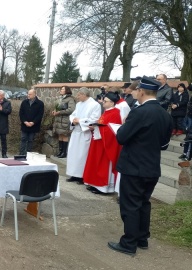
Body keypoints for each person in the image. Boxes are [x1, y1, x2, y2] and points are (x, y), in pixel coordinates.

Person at [108, 77, 173, 256]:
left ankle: (128, 243)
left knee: (130, 205)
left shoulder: (139, 112)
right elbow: (164, 144)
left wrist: (122, 128)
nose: (135, 92)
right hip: (152, 166)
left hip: (134, 166)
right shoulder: (164, 113)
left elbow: (121, 137)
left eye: (137, 90)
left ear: (142, 91)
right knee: (144, 203)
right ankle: (142, 238)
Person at [82, 92, 122, 194]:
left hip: (106, 144)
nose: (103, 102)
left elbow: (113, 130)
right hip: (98, 141)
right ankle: (95, 184)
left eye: (105, 101)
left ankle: (104, 187)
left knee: (103, 165)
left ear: (112, 102)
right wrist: (94, 127)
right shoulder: (106, 111)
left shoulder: (115, 113)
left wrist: (98, 128)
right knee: (95, 163)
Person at [65, 87, 101, 184]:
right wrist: (73, 120)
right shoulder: (79, 104)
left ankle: (82, 176)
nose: (77, 97)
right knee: (73, 154)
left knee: (82, 155)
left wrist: (79, 121)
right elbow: (73, 115)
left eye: (79, 95)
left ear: (84, 95)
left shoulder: (95, 105)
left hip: (85, 133)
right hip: (76, 132)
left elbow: (95, 119)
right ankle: (74, 174)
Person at [18, 88, 44, 155]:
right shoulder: (24, 102)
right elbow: (21, 113)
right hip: (25, 124)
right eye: (28, 94)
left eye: (30, 94)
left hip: (34, 126)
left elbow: (40, 115)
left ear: (34, 94)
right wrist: (25, 121)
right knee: (23, 139)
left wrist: (33, 122)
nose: (28, 95)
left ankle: (28, 154)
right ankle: (21, 154)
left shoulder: (40, 104)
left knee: (30, 140)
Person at [52, 86, 76, 158]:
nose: (61, 90)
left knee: (64, 135)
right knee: (60, 135)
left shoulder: (70, 99)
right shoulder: (60, 98)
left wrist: (60, 112)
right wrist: (54, 111)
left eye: (62, 89)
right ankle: (60, 151)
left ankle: (64, 153)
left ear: (67, 91)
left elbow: (71, 109)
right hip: (58, 120)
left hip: (65, 120)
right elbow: (57, 107)